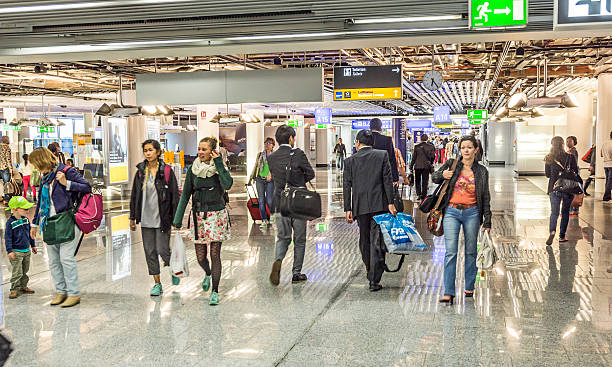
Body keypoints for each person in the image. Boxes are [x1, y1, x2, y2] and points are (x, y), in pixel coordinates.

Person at [432, 135, 492, 304]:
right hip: (451, 212)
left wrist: (487, 220)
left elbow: (486, 196)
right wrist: (443, 174)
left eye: (469, 147)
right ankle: (449, 291)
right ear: (460, 149)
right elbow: (434, 178)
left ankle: (469, 286)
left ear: (476, 149)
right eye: (463, 147)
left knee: (471, 251)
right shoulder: (452, 164)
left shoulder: (481, 171)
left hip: (472, 213)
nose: (466, 150)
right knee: (451, 251)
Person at [29, 147, 91, 308]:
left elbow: (87, 187)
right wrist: (35, 223)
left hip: (68, 219)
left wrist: (66, 183)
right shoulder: (45, 177)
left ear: (43, 161)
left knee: (66, 258)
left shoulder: (66, 171)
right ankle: (61, 291)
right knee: (54, 261)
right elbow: (40, 204)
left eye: (37, 164)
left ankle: (73, 293)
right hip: (49, 222)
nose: (35, 169)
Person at [173, 137, 232, 306]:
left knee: (215, 254)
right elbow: (185, 195)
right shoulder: (193, 169)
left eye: (204, 149)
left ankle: (215, 291)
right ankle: (207, 273)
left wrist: (219, 162)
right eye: (199, 149)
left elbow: (228, 184)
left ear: (213, 151)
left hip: (217, 216)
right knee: (200, 257)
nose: (200, 152)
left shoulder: (220, 168)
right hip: (198, 216)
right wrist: (178, 220)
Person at [343, 130, 396, 292]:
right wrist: (391, 203)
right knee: (377, 240)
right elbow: (387, 180)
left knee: (364, 239)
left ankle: (369, 269)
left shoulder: (349, 160)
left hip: (360, 206)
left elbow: (347, 185)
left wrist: (348, 208)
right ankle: (374, 277)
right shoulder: (382, 155)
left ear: (357, 143)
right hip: (379, 204)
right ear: (372, 143)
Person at [129, 139, 180, 296]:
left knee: (163, 249)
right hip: (146, 218)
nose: (148, 153)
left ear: (158, 152)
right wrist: (132, 217)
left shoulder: (166, 171)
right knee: (149, 251)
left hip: (162, 218)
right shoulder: (140, 172)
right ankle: (157, 283)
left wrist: (176, 219)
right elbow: (134, 195)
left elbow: (174, 195)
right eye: (145, 150)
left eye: (150, 150)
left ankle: (173, 267)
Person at [268, 125, 315, 286]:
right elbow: (311, 174)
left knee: (283, 237)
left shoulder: (271, 157)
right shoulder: (298, 154)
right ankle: (296, 273)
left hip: (280, 202)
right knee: (299, 239)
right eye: (293, 138)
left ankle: (278, 261)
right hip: (298, 202)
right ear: (290, 138)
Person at [544, 136, 579, 245]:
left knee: (554, 212)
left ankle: (552, 231)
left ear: (552, 145)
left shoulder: (549, 158)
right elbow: (575, 172)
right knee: (565, 213)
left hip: (554, 188)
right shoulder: (570, 157)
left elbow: (547, 175)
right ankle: (562, 236)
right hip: (568, 188)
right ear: (563, 144)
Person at [5, 196, 37, 299]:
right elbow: (8, 238)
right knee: (17, 272)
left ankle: (23, 287)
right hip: (16, 252)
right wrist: (9, 251)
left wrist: (33, 245)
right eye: (25, 208)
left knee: (25, 270)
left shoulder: (26, 220)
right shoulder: (10, 223)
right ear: (15, 209)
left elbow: (29, 234)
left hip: (26, 250)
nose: (27, 210)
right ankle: (14, 289)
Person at [249, 137, 275, 227]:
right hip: (259, 179)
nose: (267, 145)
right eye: (265, 143)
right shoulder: (260, 155)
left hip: (270, 180)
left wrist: (271, 174)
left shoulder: (275, 156)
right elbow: (256, 166)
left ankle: (272, 215)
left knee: (269, 200)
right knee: (261, 200)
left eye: (269, 143)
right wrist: (251, 178)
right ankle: (264, 220)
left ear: (273, 145)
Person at [369, 118, 399, 184]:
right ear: (380, 128)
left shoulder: (364, 139)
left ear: (370, 127)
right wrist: (395, 178)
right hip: (383, 174)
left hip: (368, 174)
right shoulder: (387, 140)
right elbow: (392, 159)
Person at [411, 134, 435, 201]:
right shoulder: (431, 146)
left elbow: (414, 158)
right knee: (425, 181)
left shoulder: (416, 146)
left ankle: (418, 194)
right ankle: (424, 195)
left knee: (417, 181)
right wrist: (431, 162)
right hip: (426, 166)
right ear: (427, 139)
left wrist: (411, 166)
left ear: (421, 139)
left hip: (417, 166)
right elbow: (433, 156)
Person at [566, 136, 580, 215]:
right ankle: (574, 209)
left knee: (572, 191)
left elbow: (573, 163)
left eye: (570, 141)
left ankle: (572, 210)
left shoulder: (573, 151)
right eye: (567, 141)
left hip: (573, 173)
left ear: (574, 142)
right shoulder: (570, 150)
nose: (568, 143)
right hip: (573, 172)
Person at [0, 136, 13, 204]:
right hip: (5, 168)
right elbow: (8, 159)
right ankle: (6, 199)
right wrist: (11, 169)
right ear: (7, 140)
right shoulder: (7, 147)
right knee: (7, 184)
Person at [602, 131, 612, 202]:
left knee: (608, 181)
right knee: (609, 181)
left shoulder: (605, 143)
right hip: (611, 164)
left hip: (605, 164)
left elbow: (601, 154)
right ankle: (606, 197)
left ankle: (607, 196)